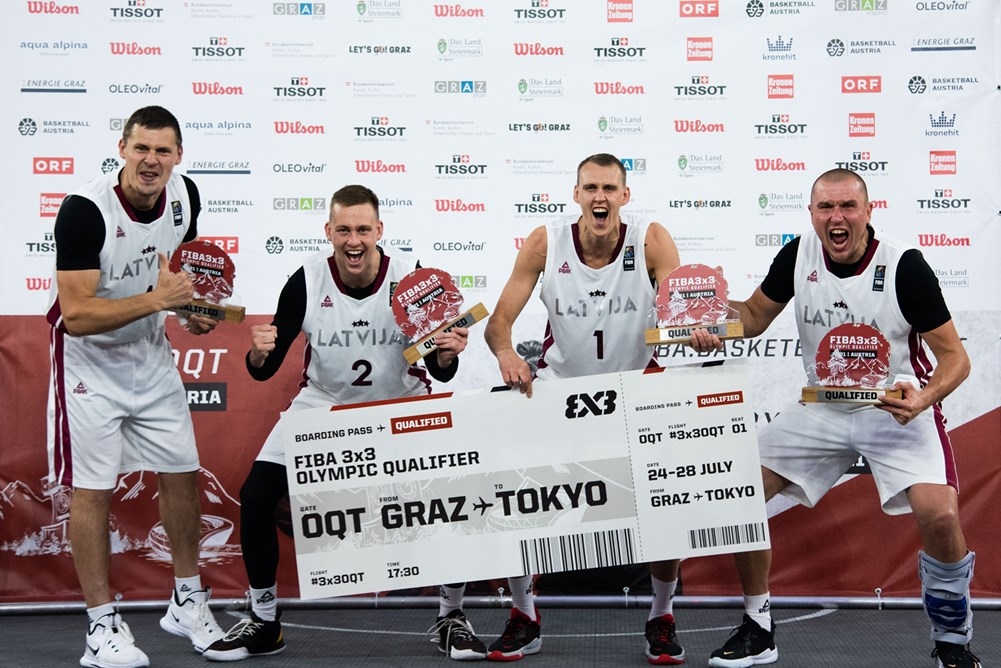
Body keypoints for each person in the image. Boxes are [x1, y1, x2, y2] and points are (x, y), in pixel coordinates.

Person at [691, 168, 979, 668]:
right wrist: (705, 316)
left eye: (848, 207)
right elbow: (754, 317)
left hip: (893, 408)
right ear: (812, 214)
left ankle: (952, 641)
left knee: (941, 515)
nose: (836, 217)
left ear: (869, 212)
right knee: (738, 494)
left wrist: (923, 398)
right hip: (821, 406)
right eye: (826, 208)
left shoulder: (904, 265)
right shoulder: (798, 253)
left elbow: (956, 358)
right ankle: (759, 628)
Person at [202, 185, 483, 662]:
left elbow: (439, 370)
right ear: (328, 232)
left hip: (399, 403)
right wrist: (257, 352)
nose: (354, 241)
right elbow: (264, 369)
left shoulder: (411, 279)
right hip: (324, 405)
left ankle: (451, 615)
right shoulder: (307, 279)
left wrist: (448, 353)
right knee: (256, 494)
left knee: (450, 492)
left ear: (379, 231)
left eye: (363, 230)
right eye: (344, 230)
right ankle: (265, 621)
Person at [483, 153, 687, 664]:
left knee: (667, 508)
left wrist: (695, 323)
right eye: (590, 188)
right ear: (576, 195)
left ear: (625, 195)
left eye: (610, 188)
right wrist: (508, 354)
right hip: (561, 390)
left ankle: (661, 614)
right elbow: (497, 324)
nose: (600, 197)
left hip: (635, 391)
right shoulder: (546, 241)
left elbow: (684, 310)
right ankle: (523, 615)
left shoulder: (650, 239)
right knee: (516, 492)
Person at [46, 105, 224, 668]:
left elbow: (179, 283)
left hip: (150, 355)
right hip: (87, 365)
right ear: (122, 148)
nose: (151, 161)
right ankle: (101, 628)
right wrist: (160, 302)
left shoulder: (186, 196)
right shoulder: (83, 211)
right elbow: (75, 314)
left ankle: (187, 601)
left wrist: (196, 316)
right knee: (93, 491)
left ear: (178, 156)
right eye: (141, 148)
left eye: (163, 151)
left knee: (183, 474)